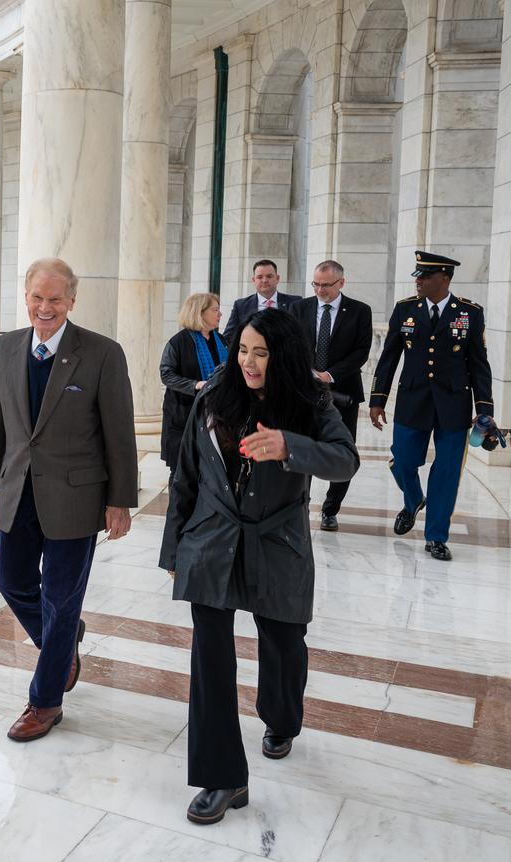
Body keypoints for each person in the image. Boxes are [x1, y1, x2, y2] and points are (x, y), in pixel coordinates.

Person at [159, 308, 359, 826]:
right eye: (243, 349)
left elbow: (345, 459)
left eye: (261, 353)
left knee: (284, 644)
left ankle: (282, 717)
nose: (249, 362)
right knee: (210, 661)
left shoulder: (310, 401)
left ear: (282, 355)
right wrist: (174, 552)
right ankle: (223, 777)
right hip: (211, 540)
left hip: (278, 543)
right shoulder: (213, 396)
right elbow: (186, 478)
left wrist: (290, 447)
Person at [0, 257, 138, 743]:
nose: (45, 308)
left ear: (72, 300)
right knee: (9, 577)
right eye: (37, 298)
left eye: (56, 299)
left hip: (76, 497)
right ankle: (61, 648)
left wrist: (120, 501)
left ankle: (45, 702)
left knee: (61, 598)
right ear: (25, 296)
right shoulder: (5, 349)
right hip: (17, 489)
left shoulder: (103, 354)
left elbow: (119, 433)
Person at [369, 250, 493, 561]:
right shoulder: (405, 310)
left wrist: (485, 408)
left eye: (425, 276)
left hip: (454, 404)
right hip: (413, 400)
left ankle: (436, 537)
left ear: (444, 278)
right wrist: (377, 399)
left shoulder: (469, 313)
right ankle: (413, 501)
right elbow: (388, 359)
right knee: (403, 462)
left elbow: (479, 364)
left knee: (447, 472)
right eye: (418, 276)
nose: (419, 281)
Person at [288, 260, 372, 531]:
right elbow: (289, 343)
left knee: (342, 450)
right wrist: (308, 371)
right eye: (316, 284)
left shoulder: (360, 311)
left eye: (326, 285)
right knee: (302, 447)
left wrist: (330, 374)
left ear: (341, 283)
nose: (320, 290)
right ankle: (300, 502)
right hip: (303, 392)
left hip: (343, 393)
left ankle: (331, 509)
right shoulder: (299, 308)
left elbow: (361, 351)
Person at [159, 293, 227, 478]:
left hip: (215, 416)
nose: (220, 314)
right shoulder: (178, 342)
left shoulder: (221, 341)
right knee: (182, 471)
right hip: (184, 416)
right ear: (200, 313)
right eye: (215, 310)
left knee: (211, 471)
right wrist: (196, 385)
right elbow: (166, 374)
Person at [222, 259, 302, 344]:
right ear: (253, 280)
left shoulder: (295, 303)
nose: (264, 280)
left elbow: (303, 334)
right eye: (260, 277)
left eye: (269, 276)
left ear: (277, 278)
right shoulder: (240, 306)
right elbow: (229, 337)